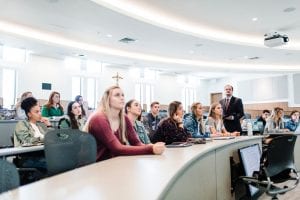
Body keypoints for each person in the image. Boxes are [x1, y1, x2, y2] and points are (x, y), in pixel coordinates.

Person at [84, 86, 165, 161]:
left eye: (123, 95)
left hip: (116, 163)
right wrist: (151, 149)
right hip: (97, 166)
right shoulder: (99, 119)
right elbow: (117, 149)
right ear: (107, 99)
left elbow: (136, 143)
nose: (122, 98)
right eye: (117, 95)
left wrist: (153, 146)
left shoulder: (123, 118)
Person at [14, 97, 52, 170]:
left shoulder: (38, 126)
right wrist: (44, 138)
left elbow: (50, 138)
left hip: (40, 155)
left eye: (40, 111)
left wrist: (49, 125)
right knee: (54, 164)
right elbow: (26, 141)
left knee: (62, 160)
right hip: (27, 158)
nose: (40, 114)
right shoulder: (21, 124)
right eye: (36, 112)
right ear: (29, 114)